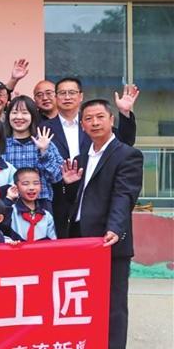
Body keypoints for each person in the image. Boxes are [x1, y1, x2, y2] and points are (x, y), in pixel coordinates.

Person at [62, 99, 143, 349]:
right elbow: (77, 199)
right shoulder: (83, 157)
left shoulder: (127, 155)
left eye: (99, 117)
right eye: (88, 119)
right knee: (82, 300)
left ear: (111, 120)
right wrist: (68, 186)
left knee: (113, 300)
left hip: (108, 240)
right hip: (79, 239)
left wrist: (115, 228)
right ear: (82, 125)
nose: (94, 123)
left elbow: (124, 195)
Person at [43, 78, 138, 237]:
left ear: (80, 96)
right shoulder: (44, 128)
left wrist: (125, 113)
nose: (95, 123)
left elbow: (125, 143)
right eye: (62, 93)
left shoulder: (102, 132)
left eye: (72, 92)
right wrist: (68, 184)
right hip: (65, 210)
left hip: (104, 224)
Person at [4, 95, 62, 208]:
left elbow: (56, 177)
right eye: (14, 112)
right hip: (10, 202)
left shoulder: (45, 142)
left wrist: (44, 152)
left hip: (40, 203)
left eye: (25, 113)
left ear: (32, 116)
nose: (19, 117)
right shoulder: (1, 145)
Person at [7, 167, 56, 241]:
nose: (31, 188)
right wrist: (9, 199)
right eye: (25, 184)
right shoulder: (11, 211)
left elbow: (53, 242)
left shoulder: (46, 216)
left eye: (36, 183)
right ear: (16, 186)